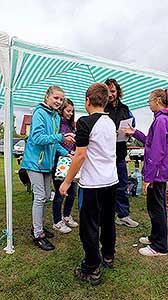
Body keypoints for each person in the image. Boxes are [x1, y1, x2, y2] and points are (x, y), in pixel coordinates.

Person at [59, 83, 118, 285]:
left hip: (92, 184)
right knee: (108, 221)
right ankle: (108, 255)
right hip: (111, 181)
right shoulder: (110, 122)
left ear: (87, 101)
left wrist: (67, 181)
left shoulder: (84, 122)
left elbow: (80, 155)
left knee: (89, 226)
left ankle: (91, 268)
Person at [122, 88, 168, 256]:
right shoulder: (162, 120)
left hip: (157, 173)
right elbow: (150, 141)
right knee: (155, 206)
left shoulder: (161, 120)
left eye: (149, 101)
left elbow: (157, 151)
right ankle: (155, 237)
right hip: (159, 172)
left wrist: (148, 177)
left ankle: (160, 247)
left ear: (158, 101)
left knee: (157, 209)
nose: (148, 104)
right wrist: (135, 133)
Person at [21, 86, 75, 251]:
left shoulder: (55, 117)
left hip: (46, 164)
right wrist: (61, 137)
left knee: (45, 197)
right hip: (34, 163)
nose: (58, 101)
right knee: (40, 197)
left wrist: (66, 154)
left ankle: (39, 227)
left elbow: (53, 142)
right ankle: (38, 234)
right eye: (56, 98)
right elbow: (36, 138)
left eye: (61, 99)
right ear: (47, 97)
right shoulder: (39, 113)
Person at [104, 78, 139, 228]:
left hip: (119, 153)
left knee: (122, 185)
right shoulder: (101, 108)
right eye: (107, 91)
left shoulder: (125, 109)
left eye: (113, 91)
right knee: (105, 187)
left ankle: (123, 215)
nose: (110, 94)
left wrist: (129, 133)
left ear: (118, 91)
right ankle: (105, 215)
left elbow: (133, 125)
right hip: (104, 154)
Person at [52, 99, 78, 233]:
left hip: (70, 161)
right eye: (68, 110)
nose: (70, 113)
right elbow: (55, 143)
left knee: (72, 191)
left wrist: (73, 151)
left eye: (72, 111)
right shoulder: (56, 123)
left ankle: (67, 216)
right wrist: (67, 152)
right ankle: (57, 221)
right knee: (60, 192)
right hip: (59, 162)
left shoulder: (71, 124)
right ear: (61, 109)